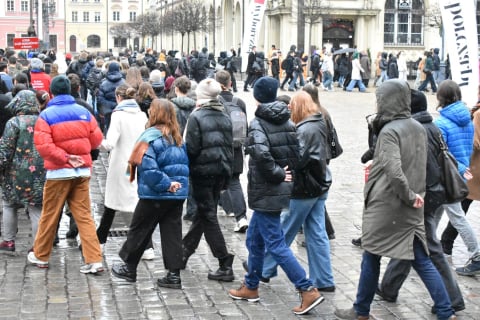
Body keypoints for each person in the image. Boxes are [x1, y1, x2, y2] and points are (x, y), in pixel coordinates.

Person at [334, 79, 456, 320]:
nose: (378, 102)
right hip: (411, 204)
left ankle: (360, 310)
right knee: (421, 259)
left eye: (380, 98)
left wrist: (410, 196)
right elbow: (418, 167)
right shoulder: (418, 127)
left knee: (371, 256)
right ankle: (445, 309)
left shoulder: (390, 130)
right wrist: (415, 196)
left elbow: (394, 171)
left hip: (389, 205)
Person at [228, 77, 323, 315]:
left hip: (266, 190)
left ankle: (307, 288)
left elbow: (262, 154)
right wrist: (286, 171)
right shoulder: (288, 120)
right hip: (275, 190)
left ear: (257, 97)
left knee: (276, 244)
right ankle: (251, 286)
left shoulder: (259, 121)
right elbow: (298, 153)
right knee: (254, 239)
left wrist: (279, 173)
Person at [376, 89, 466, 313]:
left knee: (430, 247)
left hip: (424, 194)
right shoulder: (431, 126)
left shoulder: (416, 131)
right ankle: (389, 287)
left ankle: (452, 299)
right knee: (411, 238)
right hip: (434, 192)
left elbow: (413, 167)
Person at [29, 75, 104, 273]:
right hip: (81, 172)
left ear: (52, 92)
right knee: (84, 216)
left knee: (49, 215)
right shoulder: (83, 112)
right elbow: (96, 140)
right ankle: (94, 259)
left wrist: (65, 157)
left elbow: (43, 147)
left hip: (58, 172)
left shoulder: (46, 115)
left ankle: (41, 255)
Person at [260, 90, 334, 293]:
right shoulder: (320, 120)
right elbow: (328, 147)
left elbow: (298, 158)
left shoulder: (305, 128)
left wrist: (281, 164)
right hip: (319, 181)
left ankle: (263, 268)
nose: (289, 108)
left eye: (292, 105)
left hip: (305, 186)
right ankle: (324, 278)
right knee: (317, 231)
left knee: (286, 228)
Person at [111, 99, 189, 287]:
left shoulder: (150, 137)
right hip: (177, 196)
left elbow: (149, 169)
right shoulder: (177, 137)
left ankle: (129, 268)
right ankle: (173, 275)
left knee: (139, 229)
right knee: (172, 234)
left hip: (155, 194)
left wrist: (166, 185)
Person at [181, 78, 235, 282]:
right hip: (221, 170)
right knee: (204, 212)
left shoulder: (197, 117)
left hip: (203, 172)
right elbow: (229, 146)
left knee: (208, 214)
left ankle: (224, 261)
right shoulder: (224, 114)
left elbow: (192, 148)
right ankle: (184, 251)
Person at [96, 84, 155, 258]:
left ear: (118, 98)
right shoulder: (141, 115)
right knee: (136, 205)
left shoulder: (118, 115)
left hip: (120, 165)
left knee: (111, 204)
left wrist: (96, 140)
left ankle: (99, 242)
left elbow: (110, 143)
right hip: (137, 163)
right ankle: (147, 246)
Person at [433, 80, 480, 276]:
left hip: (446, 173)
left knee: (456, 216)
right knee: (433, 213)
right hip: (459, 172)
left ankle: (477, 254)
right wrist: (463, 167)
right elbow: (469, 147)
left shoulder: (441, 123)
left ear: (440, 97)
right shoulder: (468, 119)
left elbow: (442, 153)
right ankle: (425, 246)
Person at [0, 90, 45, 252]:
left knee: (9, 204)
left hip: (15, 174)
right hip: (39, 173)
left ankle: (8, 241)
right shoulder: (43, 121)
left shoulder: (14, 123)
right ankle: (37, 246)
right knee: (35, 208)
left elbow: (5, 151)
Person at [216, 70, 248, 233]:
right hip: (236, 148)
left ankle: (226, 208)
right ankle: (241, 217)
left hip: (219, 148)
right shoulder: (239, 102)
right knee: (234, 182)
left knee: (218, 180)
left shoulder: (215, 101)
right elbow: (245, 128)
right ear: (230, 83)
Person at [170, 76, 196, 221]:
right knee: (191, 178)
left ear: (176, 89)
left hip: (176, 143)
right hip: (191, 143)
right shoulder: (195, 106)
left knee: (176, 175)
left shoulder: (171, 106)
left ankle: (176, 205)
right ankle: (191, 210)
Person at [97, 61, 125, 133]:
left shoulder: (103, 83)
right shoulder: (124, 82)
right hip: (121, 109)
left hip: (108, 111)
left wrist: (108, 107)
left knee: (109, 130)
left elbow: (100, 99)